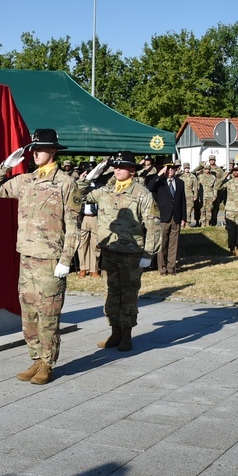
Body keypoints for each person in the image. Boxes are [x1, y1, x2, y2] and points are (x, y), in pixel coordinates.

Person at [0, 128, 81, 385]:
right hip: (26, 257)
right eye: (34, 149)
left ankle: (48, 362)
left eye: (40, 149)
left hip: (50, 260)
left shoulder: (66, 184)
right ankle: (36, 358)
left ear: (53, 151)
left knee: (48, 313)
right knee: (28, 313)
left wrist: (65, 260)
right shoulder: (26, 180)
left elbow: (73, 226)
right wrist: (6, 165)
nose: (35, 153)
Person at [83, 150, 161, 352]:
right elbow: (78, 195)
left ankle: (126, 335)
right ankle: (115, 332)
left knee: (128, 295)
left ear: (132, 170)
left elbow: (153, 224)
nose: (117, 169)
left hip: (131, 254)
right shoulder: (106, 191)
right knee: (111, 294)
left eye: (122, 166)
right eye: (115, 166)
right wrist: (91, 175)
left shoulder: (142, 194)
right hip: (109, 251)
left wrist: (148, 253)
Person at [147, 160, 186, 275]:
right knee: (162, 244)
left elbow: (182, 200)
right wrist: (160, 174)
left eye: (172, 169)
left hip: (176, 216)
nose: (170, 171)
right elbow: (149, 188)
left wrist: (183, 217)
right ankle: (162, 268)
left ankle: (171, 268)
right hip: (163, 217)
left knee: (173, 244)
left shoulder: (180, 182)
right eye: (168, 169)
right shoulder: (160, 182)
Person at [215, 161, 238, 256]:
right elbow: (216, 186)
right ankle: (231, 249)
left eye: (237, 170)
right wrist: (224, 176)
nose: (235, 172)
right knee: (230, 231)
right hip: (230, 210)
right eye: (234, 171)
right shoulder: (229, 182)